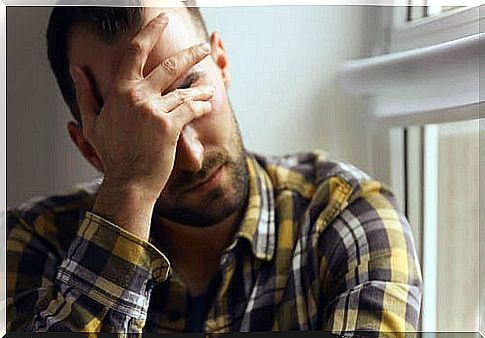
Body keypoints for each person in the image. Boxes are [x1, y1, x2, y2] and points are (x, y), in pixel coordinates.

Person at [6, 3, 423, 335]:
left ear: (221, 65)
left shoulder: (346, 218)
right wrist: (130, 189)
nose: (191, 155)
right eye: (135, 124)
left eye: (189, 89)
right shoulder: (34, 240)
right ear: (89, 147)